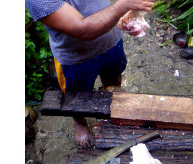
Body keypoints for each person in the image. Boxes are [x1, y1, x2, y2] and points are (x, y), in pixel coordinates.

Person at [27, 0, 155, 148]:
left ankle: (112, 106)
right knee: (76, 95)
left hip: (111, 40)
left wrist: (126, 13)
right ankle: (79, 122)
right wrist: (123, 5)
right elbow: (83, 30)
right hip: (76, 57)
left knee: (113, 77)